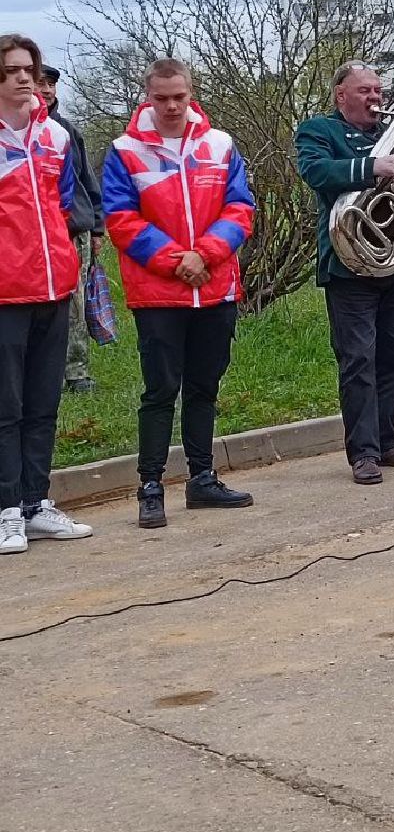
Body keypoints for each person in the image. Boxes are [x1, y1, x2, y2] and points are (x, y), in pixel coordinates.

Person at [103, 58, 256, 528]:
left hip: (213, 288)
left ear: (192, 93)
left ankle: (202, 479)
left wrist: (205, 255)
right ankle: (150, 485)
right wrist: (177, 260)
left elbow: (240, 207)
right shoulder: (125, 150)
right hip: (158, 293)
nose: (171, 106)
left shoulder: (220, 144)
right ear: (146, 96)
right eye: (161, 98)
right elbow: (121, 219)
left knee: (204, 388)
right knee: (161, 390)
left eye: (179, 97)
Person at [296, 62, 394, 483]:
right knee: (358, 360)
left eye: (378, 90)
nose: (376, 97)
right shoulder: (320, 130)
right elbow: (317, 172)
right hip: (349, 262)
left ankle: (390, 442)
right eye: (365, 91)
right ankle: (364, 453)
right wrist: (370, 167)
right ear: (341, 96)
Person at [0, 34, 92, 555]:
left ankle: (35, 504)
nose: (23, 78)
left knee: (42, 404)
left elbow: (63, 206)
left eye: (28, 69)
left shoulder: (55, 136)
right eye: (11, 70)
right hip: (4, 293)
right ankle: (5, 508)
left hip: (53, 287)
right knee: (5, 407)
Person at [37, 65, 105, 393]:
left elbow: (86, 181)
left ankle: (77, 373)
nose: (46, 89)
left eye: (50, 84)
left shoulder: (65, 131)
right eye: (40, 83)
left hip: (73, 230)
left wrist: (96, 229)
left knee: (75, 304)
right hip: (32, 233)